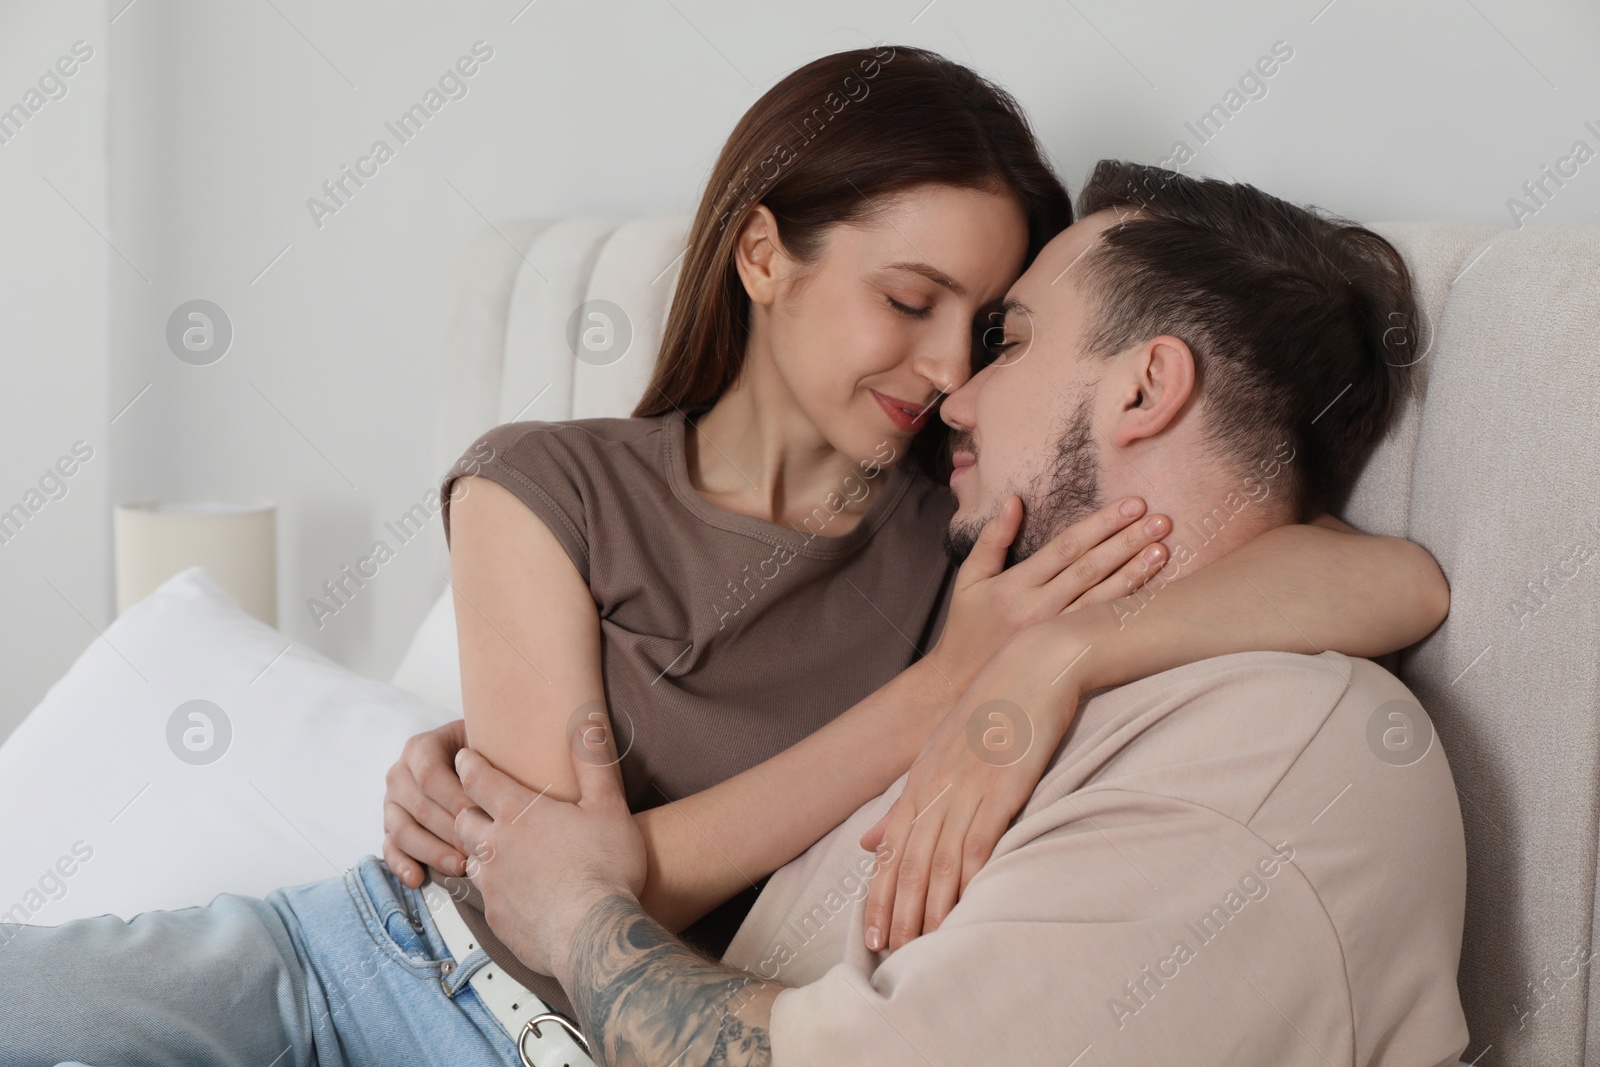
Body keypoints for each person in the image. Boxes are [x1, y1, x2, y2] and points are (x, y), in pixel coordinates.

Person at [0, 49, 1446, 1067]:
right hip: (372, 954)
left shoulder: (962, 531)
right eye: (914, 301)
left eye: (991, 327)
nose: (952, 374)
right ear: (765, 258)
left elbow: (1397, 582)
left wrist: (1051, 653)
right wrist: (954, 683)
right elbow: (559, 883)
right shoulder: (544, 482)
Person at [442, 161, 1469, 1067]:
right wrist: (1056, 654)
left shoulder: (1266, 756)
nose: (956, 396)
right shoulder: (1014, 618)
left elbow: (1400, 578)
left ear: (1146, 386)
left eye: (1005, 341)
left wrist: (575, 916)